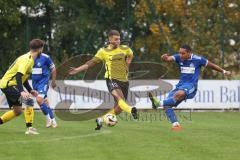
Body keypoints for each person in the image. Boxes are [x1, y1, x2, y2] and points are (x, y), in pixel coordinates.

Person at [149, 44, 231, 131]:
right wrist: (164, 58)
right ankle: (176, 125)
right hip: (180, 85)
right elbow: (168, 59)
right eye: (180, 53)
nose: (181, 55)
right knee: (168, 105)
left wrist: (224, 71)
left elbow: (211, 65)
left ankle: (158, 103)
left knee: (178, 94)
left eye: (183, 53)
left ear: (189, 53)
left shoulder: (198, 59)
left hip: (191, 86)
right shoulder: (179, 57)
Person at [68, 29, 138, 130]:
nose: (118, 41)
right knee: (120, 99)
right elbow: (91, 62)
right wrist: (77, 70)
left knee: (118, 109)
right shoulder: (103, 51)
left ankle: (101, 119)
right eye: (116, 39)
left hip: (124, 81)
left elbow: (131, 54)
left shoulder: (125, 48)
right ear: (110, 39)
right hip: (111, 79)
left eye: (119, 39)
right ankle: (131, 110)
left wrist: (128, 63)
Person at [0, 39, 45, 135]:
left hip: (8, 84)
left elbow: (23, 78)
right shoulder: (27, 60)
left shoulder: (29, 59)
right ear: (40, 49)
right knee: (29, 101)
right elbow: (18, 75)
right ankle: (30, 129)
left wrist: (30, 90)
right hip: (9, 84)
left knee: (17, 111)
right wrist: (21, 91)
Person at [32, 52, 57, 128]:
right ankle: (54, 121)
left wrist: (53, 81)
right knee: (45, 102)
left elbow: (53, 69)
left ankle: (48, 119)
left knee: (39, 100)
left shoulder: (46, 57)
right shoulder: (29, 57)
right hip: (35, 84)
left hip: (43, 83)